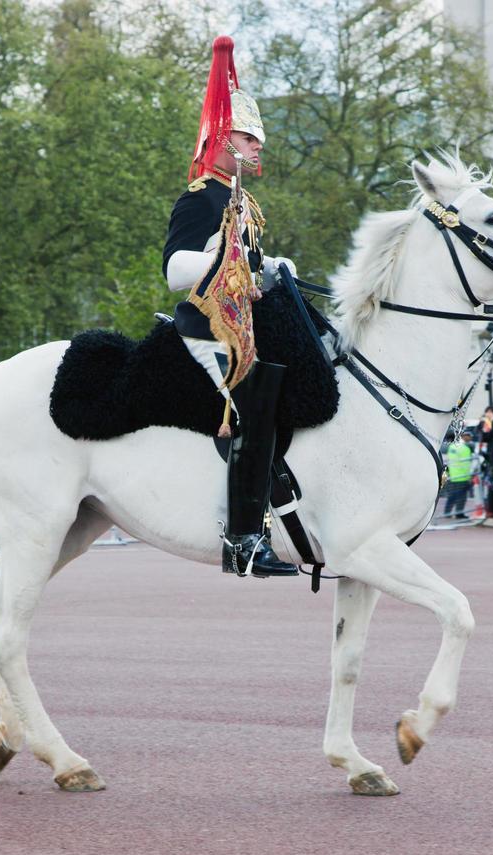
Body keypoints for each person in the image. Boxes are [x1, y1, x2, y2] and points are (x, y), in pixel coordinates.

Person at [163, 36, 299, 577]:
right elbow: (175, 271)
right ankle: (243, 539)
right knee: (252, 406)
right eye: (249, 136)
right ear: (222, 138)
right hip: (208, 334)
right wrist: (225, 259)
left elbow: (249, 273)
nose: (259, 147)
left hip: (246, 330)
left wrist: (273, 268)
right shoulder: (201, 198)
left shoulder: (241, 202)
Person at [441, 431, 474, 520]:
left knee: (451, 496)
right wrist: (470, 476)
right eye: (470, 436)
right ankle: (459, 513)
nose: (471, 439)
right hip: (462, 476)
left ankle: (447, 512)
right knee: (462, 497)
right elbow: (467, 464)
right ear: (465, 436)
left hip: (452, 475)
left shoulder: (452, 446)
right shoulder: (465, 448)